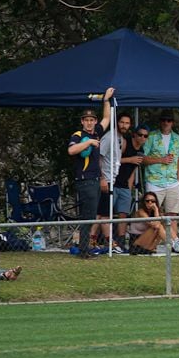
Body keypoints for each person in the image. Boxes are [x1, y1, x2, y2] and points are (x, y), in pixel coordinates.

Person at [67, 87, 114, 258]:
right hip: (84, 180)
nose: (89, 122)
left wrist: (106, 101)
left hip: (95, 179)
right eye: (86, 120)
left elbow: (107, 118)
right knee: (88, 216)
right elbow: (71, 151)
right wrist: (88, 143)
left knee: (91, 215)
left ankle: (84, 247)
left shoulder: (96, 132)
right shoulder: (78, 135)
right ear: (82, 121)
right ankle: (83, 249)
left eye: (91, 120)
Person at [142, 109, 179, 254]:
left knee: (172, 215)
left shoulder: (177, 139)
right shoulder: (151, 137)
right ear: (160, 121)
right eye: (163, 120)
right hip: (154, 181)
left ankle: (174, 245)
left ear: (173, 123)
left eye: (168, 120)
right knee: (152, 215)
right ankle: (151, 246)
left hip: (172, 182)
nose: (165, 123)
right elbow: (143, 158)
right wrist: (160, 160)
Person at [95, 110, 132, 252]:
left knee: (102, 213)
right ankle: (108, 242)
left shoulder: (121, 140)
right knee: (103, 214)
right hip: (105, 180)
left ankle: (97, 240)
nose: (124, 125)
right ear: (117, 122)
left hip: (113, 179)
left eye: (127, 123)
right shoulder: (109, 137)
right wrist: (102, 178)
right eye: (122, 122)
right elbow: (99, 156)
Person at [115, 122, 148, 249]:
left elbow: (133, 170)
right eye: (140, 135)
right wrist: (130, 159)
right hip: (113, 182)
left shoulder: (141, 151)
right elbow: (113, 160)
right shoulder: (125, 143)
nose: (142, 138)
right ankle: (99, 240)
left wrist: (129, 188)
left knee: (123, 214)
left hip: (124, 185)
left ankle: (121, 242)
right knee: (106, 214)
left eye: (145, 136)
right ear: (134, 135)